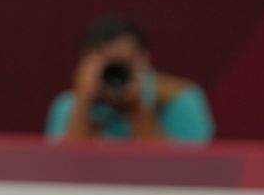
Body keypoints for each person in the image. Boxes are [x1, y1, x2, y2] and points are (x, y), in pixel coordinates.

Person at [45, 15, 213, 145]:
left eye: (122, 64)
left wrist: (138, 108)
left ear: (144, 59)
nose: (115, 75)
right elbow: (63, 170)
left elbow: (185, 173)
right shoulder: (70, 105)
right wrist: (82, 103)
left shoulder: (179, 99)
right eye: (107, 65)